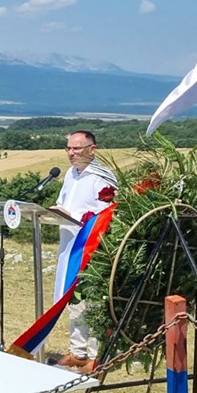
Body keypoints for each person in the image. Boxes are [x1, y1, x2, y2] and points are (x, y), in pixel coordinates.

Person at [52, 130, 117, 373]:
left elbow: (106, 214)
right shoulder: (71, 174)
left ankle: (95, 354)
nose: (71, 153)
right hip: (69, 246)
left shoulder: (102, 176)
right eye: (68, 148)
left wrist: (75, 217)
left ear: (93, 149)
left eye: (77, 149)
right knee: (75, 300)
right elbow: (65, 203)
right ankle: (78, 351)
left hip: (92, 248)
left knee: (93, 302)